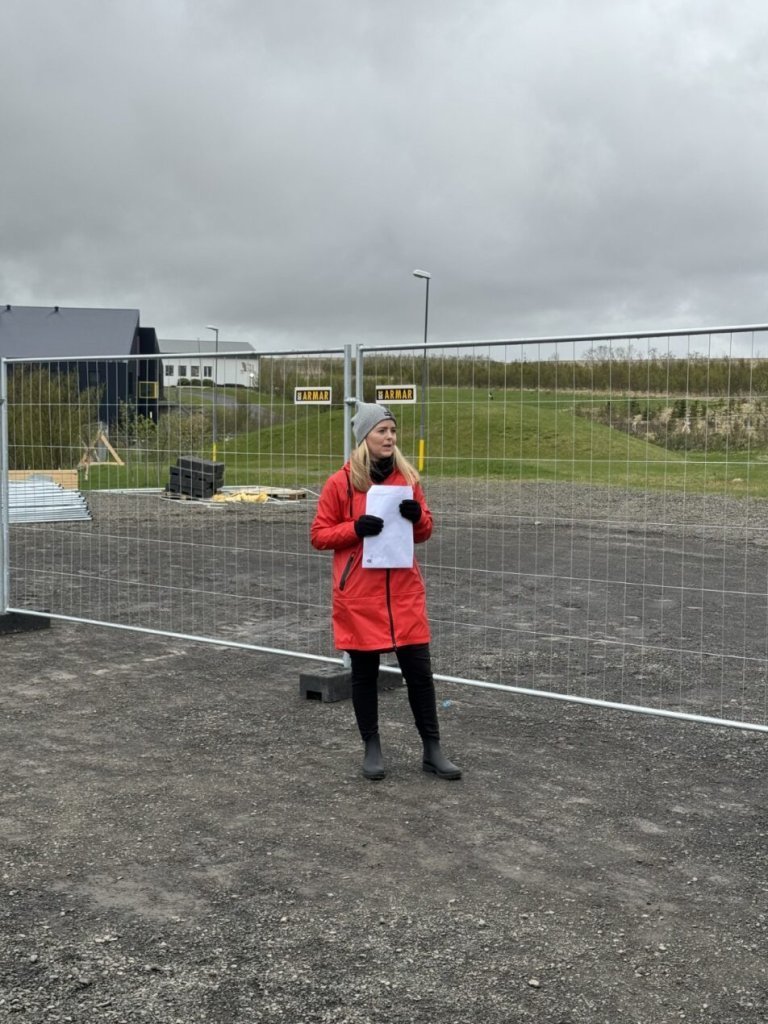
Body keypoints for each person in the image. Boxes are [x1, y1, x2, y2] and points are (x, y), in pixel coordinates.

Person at [311, 402, 461, 782]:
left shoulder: (407, 478)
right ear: (365, 436)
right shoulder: (340, 483)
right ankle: (372, 746)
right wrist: (354, 528)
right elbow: (319, 535)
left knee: (420, 673)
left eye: (393, 430)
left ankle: (432, 749)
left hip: (404, 593)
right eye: (382, 430)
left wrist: (419, 518)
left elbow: (425, 530)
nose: (390, 437)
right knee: (364, 674)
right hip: (360, 595)